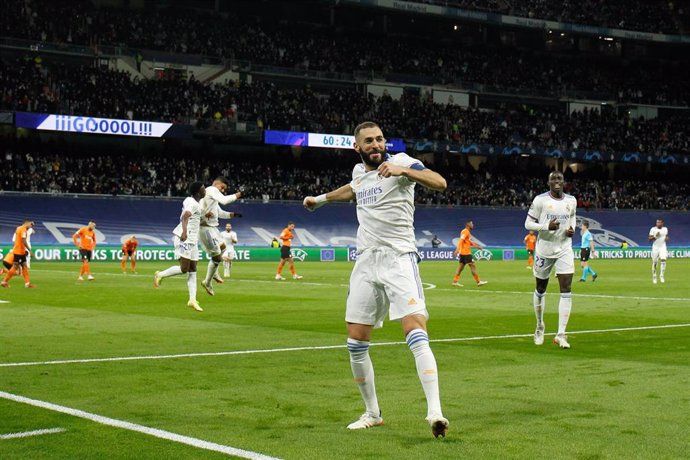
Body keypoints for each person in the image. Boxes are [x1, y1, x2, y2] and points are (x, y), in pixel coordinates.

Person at [303, 121, 449, 438]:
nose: (375, 144)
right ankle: (372, 413)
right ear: (357, 147)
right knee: (355, 341)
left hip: (399, 259)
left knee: (415, 328)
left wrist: (405, 173)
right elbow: (352, 190)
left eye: (380, 139)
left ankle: (435, 412)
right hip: (366, 261)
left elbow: (439, 182)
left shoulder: (403, 162)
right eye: (368, 141)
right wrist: (320, 199)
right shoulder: (359, 174)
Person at [524, 171, 576, 349]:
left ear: (563, 182)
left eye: (559, 179)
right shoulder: (540, 200)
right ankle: (539, 325)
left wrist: (572, 229)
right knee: (540, 288)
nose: (556, 181)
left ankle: (561, 334)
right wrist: (546, 226)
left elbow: (573, 217)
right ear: (548, 182)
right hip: (544, 249)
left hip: (564, 248)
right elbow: (528, 224)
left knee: (567, 288)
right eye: (553, 179)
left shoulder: (571, 200)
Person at [154, 182, 206, 311]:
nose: (205, 190)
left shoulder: (194, 203)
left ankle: (192, 300)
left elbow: (193, 219)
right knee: (184, 268)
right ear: (198, 192)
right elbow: (185, 217)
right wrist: (184, 231)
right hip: (185, 238)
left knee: (193, 269)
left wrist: (204, 218)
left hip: (192, 240)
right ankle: (160, 274)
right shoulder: (192, 203)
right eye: (203, 188)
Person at [198, 176, 242, 295]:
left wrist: (233, 215)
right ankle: (207, 282)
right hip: (205, 228)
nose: (222, 190)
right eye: (223, 187)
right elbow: (225, 200)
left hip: (212, 228)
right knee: (217, 257)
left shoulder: (212, 195)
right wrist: (238, 195)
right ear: (218, 183)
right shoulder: (212, 190)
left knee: (222, 247)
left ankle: (215, 272)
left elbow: (220, 213)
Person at [452, 220, 488, 287]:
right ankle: (478, 282)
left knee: (460, 267)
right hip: (466, 253)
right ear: (468, 225)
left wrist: (477, 246)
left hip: (462, 253)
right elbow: (461, 240)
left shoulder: (464, 231)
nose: (473, 225)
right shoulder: (466, 232)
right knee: (473, 266)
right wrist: (457, 249)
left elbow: (468, 242)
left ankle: (455, 281)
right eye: (472, 223)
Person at [1, 219, 35, 288]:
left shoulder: (18, 228)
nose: (31, 226)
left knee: (24, 266)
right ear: (27, 223)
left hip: (20, 251)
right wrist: (29, 250)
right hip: (19, 252)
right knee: (15, 267)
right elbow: (23, 241)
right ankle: (4, 281)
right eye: (30, 225)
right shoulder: (23, 229)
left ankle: (27, 283)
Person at [649, 218, 669, 284]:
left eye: (659, 222)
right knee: (655, 262)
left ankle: (662, 275)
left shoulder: (665, 229)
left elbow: (666, 236)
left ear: (662, 223)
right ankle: (654, 276)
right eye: (657, 222)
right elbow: (650, 238)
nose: (658, 223)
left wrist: (666, 238)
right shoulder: (653, 229)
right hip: (655, 247)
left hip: (663, 246)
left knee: (663, 260)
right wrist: (656, 236)